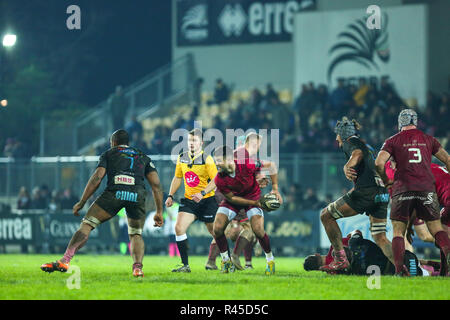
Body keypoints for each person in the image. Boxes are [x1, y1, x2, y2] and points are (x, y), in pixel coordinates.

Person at [41, 129, 164, 277]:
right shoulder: (143, 156)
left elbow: (97, 178)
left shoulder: (109, 153)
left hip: (115, 193)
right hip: (136, 195)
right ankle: (137, 268)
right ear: (128, 143)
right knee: (136, 233)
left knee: (87, 224)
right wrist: (159, 211)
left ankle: (65, 260)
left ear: (113, 143)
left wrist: (82, 201)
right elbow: (156, 185)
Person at [375, 108, 450, 276]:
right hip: (426, 189)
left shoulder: (392, 141)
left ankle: (400, 271)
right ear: (415, 122)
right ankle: (448, 252)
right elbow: (448, 160)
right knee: (438, 230)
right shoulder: (429, 139)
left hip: (403, 190)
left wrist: (387, 180)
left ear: (399, 123)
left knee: (398, 232)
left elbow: (379, 163)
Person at [319, 117, 393, 274]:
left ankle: (340, 260)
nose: (336, 139)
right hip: (381, 194)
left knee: (326, 215)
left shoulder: (350, 143)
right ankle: (402, 268)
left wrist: (347, 166)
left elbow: (357, 153)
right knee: (380, 237)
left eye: (337, 135)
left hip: (366, 193)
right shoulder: (369, 146)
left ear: (342, 134)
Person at [204, 145, 282, 275]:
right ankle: (226, 261)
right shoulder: (219, 179)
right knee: (217, 228)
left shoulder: (246, 163)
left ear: (229, 159)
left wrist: (274, 188)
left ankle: (270, 261)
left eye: (218, 160)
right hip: (235, 201)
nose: (216, 163)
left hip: (252, 196)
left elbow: (272, 165)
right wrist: (255, 202)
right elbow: (232, 198)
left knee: (258, 230)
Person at [197, 134, 268, 271]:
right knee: (247, 228)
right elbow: (217, 179)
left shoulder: (243, 159)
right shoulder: (237, 159)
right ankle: (236, 258)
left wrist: (260, 178)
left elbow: (258, 174)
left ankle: (214, 261)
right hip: (232, 196)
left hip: (227, 196)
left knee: (224, 230)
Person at [165, 128, 218, 273]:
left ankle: (224, 259)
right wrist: (170, 195)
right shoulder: (182, 157)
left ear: (201, 142)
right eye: (189, 140)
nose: (191, 143)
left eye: (194, 141)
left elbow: (216, 180)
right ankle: (185, 265)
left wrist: (202, 192)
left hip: (207, 200)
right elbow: (177, 177)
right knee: (178, 228)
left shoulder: (207, 158)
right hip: (190, 201)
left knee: (216, 233)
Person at [304, 230, 430, 276]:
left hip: (385, 271)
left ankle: (429, 268)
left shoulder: (332, 271)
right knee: (416, 264)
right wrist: (352, 235)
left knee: (422, 271)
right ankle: (430, 266)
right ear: (316, 254)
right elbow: (357, 232)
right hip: (393, 259)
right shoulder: (336, 245)